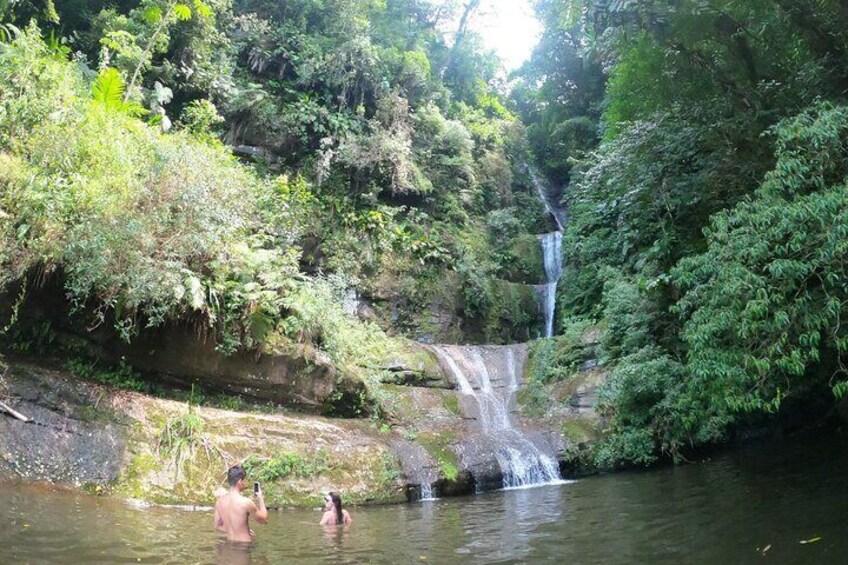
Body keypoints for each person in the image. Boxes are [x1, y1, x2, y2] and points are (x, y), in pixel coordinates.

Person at [214, 465, 268, 542]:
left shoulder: (219, 502)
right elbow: (264, 520)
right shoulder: (245, 502)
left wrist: (238, 529)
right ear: (240, 482)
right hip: (244, 546)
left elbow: (217, 526)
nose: (245, 483)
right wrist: (260, 497)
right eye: (244, 480)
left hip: (230, 544)